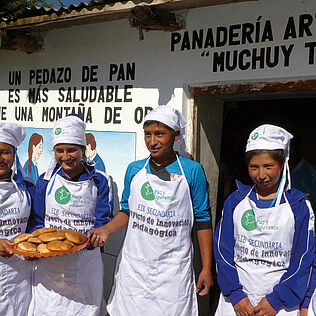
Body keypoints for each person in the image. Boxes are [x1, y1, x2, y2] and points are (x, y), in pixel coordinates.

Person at [88, 105, 213, 316]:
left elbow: (202, 219)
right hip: (135, 267)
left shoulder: (192, 171)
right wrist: (107, 230)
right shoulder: (135, 169)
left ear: (175, 136)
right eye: (147, 135)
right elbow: (127, 211)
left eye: (159, 135)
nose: (152, 142)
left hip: (173, 269)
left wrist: (207, 267)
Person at [214, 124, 314, 316]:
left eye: (269, 166)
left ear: (283, 164)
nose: (261, 175)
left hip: (280, 306)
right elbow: (222, 250)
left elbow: (303, 259)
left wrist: (275, 300)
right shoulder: (236, 202)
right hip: (236, 304)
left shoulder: (299, 207)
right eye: (254, 167)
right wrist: (236, 295)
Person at [27, 114, 114, 316]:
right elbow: (38, 221)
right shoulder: (45, 181)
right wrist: (36, 247)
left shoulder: (100, 181)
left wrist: (90, 240)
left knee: (84, 310)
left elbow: (103, 221)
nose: (65, 156)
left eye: (71, 150)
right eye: (59, 150)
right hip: (50, 264)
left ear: (82, 150)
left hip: (85, 263)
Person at [0, 122, 35, 316]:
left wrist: (33, 247)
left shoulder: (27, 188)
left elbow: (34, 224)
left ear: (14, 155)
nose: (1, 159)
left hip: (19, 275)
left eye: (5, 152)